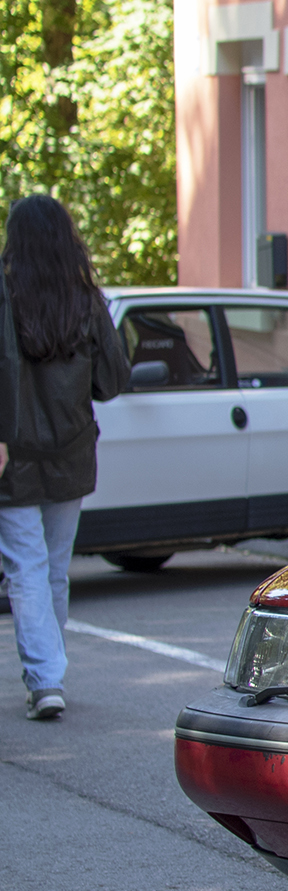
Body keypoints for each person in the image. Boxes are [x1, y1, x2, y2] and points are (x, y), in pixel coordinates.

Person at [0, 195, 129, 720]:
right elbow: (113, 379)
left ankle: (45, 677)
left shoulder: (5, 293)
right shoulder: (84, 298)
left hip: (13, 453)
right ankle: (49, 675)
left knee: (25, 570)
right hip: (73, 451)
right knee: (53, 568)